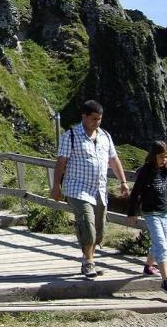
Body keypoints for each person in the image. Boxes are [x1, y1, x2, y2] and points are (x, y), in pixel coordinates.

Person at [51, 100, 129, 278]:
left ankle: (89, 258)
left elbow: (113, 160)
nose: (97, 122)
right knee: (87, 223)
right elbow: (61, 162)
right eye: (94, 119)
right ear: (84, 117)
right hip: (77, 188)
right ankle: (88, 262)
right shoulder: (70, 135)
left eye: (100, 119)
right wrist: (56, 186)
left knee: (99, 231)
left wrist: (123, 182)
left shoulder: (105, 136)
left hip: (99, 190)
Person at [127, 140, 167, 291]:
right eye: (161, 157)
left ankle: (148, 267)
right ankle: (165, 281)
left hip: (164, 211)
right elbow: (135, 192)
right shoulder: (146, 171)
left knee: (160, 242)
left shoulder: (165, 170)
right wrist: (132, 212)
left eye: (166, 157)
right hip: (151, 212)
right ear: (154, 156)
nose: (164, 160)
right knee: (162, 245)